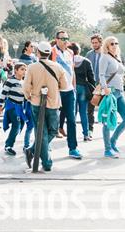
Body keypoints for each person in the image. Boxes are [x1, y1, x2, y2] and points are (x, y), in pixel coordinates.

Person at [23, 41, 68, 172]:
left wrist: (29, 96)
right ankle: (47, 163)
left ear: (38, 53)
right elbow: (64, 86)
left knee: (41, 132)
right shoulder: (58, 67)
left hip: (36, 102)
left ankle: (32, 150)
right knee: (53, 130)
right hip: (53, 103)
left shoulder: (32, 67)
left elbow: (26, 86)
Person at [97, 35, 125, 158]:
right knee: (107, 121)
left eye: (116, 43)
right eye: (111, 43)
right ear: (106, 46)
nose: (114, 45)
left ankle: (113, 141)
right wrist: (105, 88)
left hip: (120, 92)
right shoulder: (104, 57)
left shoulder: (117, 57)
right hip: (110, 92)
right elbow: (101, 75)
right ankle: (107, 149)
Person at [51, 30, 82, 159]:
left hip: (69, 91)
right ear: (56, 39)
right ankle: (41, 145)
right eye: (62, 38)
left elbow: (72, 70)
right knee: (51, 120)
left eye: (66, 38)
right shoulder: (52, 51)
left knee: (71, 120)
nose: (65, 41)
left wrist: (73, 87)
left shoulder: (70, 52)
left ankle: (73, 148)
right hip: (56, 91)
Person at [0, 63, 32, 155]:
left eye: (25, 69)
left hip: (20, 108)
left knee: (19, 125)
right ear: (16, 70)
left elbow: (26, 96)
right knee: (16, 125)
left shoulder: (24, 82)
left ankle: (9, 144)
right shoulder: (10, 81)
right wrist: (0, 106)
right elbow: (3, 93)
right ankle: (8, 146)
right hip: (11, 106)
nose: (24, 71)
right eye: (22, 69)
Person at [70, 42, 95, 142]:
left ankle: (72, 135)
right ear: (79, 50)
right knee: (83, 112)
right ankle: (86, 134)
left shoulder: (68, 60)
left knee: (73, 113)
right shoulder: (86, 61)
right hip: (83, 88)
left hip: (72, 88)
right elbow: (91, 78)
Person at [85, 34, 103, 135]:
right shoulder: (89, 54)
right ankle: (90, 130)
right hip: (91, 86)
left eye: (96, 42)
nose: (94, 44)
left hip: (103, 85)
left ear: (100, 42)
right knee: (89, 109)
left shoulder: (105, 54)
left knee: (105, 108)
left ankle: (106, 128)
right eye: (93, 43)